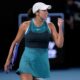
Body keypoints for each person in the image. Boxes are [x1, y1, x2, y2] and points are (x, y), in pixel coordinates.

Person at [4, 2, 64, 80]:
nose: (47, 12)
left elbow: (60, 44)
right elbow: (15, 43)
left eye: (47, 10)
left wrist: (60, 27)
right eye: (44, 10)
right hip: (27, 61)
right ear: (37, 12)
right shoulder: (25, 25)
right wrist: (8, 60)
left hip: (41, 63)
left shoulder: (51, 26)